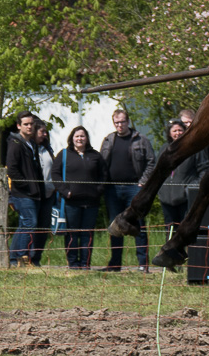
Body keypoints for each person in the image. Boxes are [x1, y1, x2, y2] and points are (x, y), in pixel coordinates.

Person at [100, 109, 156, 272]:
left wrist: (143, 182)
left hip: (134, 188)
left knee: (138, 224)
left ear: (128, 122)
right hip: (113, 189)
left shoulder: (140, 139)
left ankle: (142, 264)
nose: (120, 125)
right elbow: (102, 163)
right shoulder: (109, 140)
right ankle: (115, 264)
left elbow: (151, 162)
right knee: (115, 225)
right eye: (117, 122)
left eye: (122, 122)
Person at [52, 126, 106, 269]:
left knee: (87, 234)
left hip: (91, 203)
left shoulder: (95, 156)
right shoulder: (64, 154)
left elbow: (104, 176)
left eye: (82, 136)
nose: (80, 139)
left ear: (87, 138)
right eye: (77, 136)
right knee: (72, 234)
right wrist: (65, 191)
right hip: (71, 203)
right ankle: (73, 263)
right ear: (72, 138)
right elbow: (55, 174)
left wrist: (98, 191)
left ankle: (85, 263)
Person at [5, 111, 46, 267]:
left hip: (33, 192)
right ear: (18, 126)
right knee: (30, 222)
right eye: (26, 124)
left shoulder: (31, 143)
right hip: (22, 193)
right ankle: (22, 257)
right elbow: (12, 170)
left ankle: (13, 258)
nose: (29, 127)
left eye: (31, 124)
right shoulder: (15, 144)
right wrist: (27, 185)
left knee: (24, 225)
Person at [29, 118, 55, 267]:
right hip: (34, 195)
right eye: (42, 131)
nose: (44, 134)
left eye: (46, 132)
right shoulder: (29, 149)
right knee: (32, 225)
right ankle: (25, 257)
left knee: (44, 227)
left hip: (49, 194)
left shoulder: (48, 149)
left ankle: (37, 257)